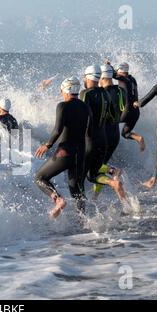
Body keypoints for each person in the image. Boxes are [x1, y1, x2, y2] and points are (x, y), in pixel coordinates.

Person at [34, 77, 91, 218]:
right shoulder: (85, 107)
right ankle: (83, 220)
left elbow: (57, 130)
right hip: (80, 152)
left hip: (65, 152)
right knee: (77, 188)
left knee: (40, 178)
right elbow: (90, 130)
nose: (60, 93)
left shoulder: (62, 106)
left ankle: (58, 199)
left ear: (66, 90)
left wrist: (47, 145)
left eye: (61, 90)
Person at [81, 65, 127, 201]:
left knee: (85, 174)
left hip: (91, 139)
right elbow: (115, 117)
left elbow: (83, 116)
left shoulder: (85, 93)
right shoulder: (109, 92)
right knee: (95, 170)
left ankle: (81, 209)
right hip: (106, 138)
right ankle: (110, 178)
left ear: (88, 77)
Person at [109, 61, 145, 152]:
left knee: (110, 122)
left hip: (127, 112)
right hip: (136, 113)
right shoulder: (132, 79)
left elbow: (111, 74)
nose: (117, 72)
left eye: (118, 70)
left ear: (120, 71)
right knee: (125, 133)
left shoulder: (123, 78)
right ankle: (139, 138)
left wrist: (108, 65)